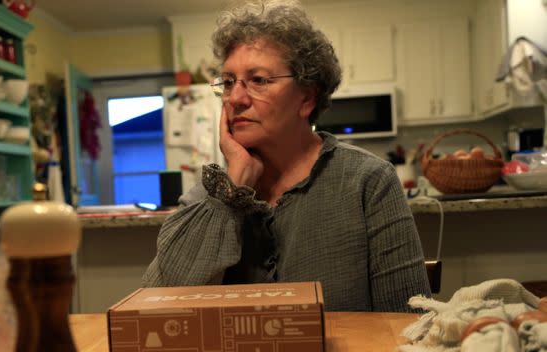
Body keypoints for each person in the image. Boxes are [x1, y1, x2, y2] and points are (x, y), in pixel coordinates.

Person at [143, 0, 431, 311]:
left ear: (307, 97)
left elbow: (408, 319)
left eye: (259, 80)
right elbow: (154, 308)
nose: (236, 98)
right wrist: (231, 194)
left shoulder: (367, 181)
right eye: (228, 83)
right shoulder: (208, 196)